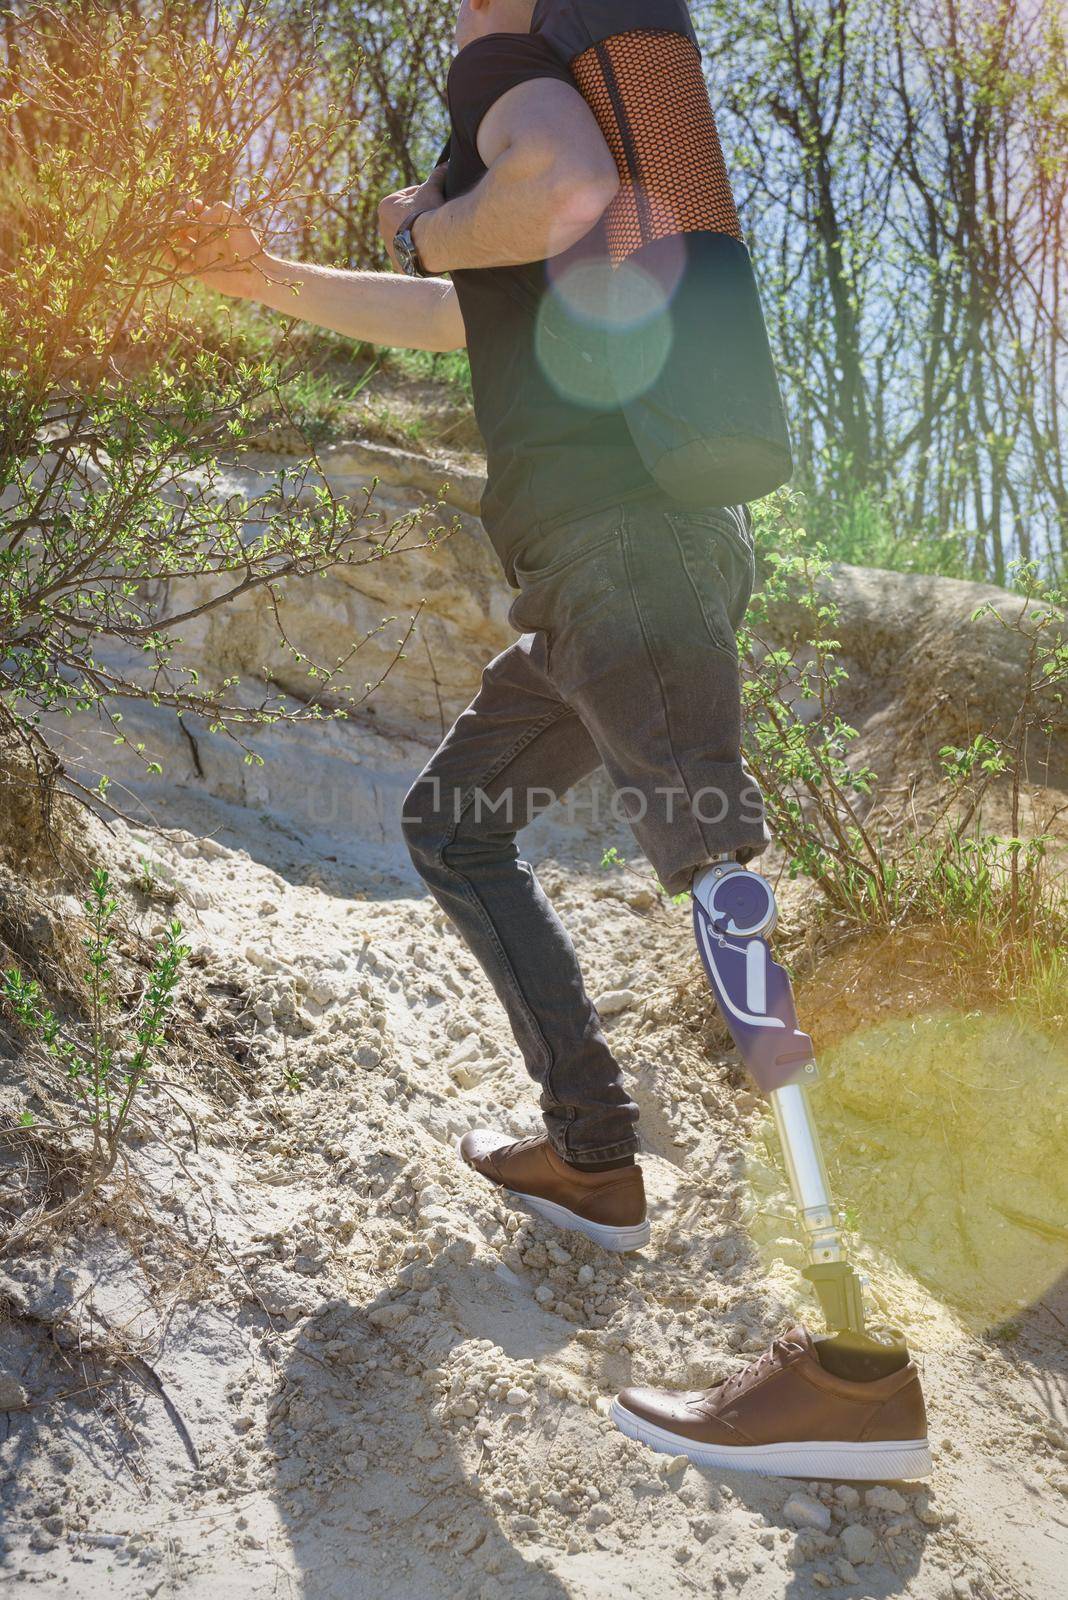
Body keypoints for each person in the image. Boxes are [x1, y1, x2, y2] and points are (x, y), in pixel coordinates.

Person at [165, 0, 929, 1477]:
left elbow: (558, 193)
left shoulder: (507, 65)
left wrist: (433, 215)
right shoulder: (541, 88)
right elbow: (463, 306)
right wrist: (271, 278)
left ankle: (853, 1362)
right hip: (610, 570)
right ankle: (591, 1153)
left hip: (620, 555)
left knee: (720, 881)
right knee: (455, 825)